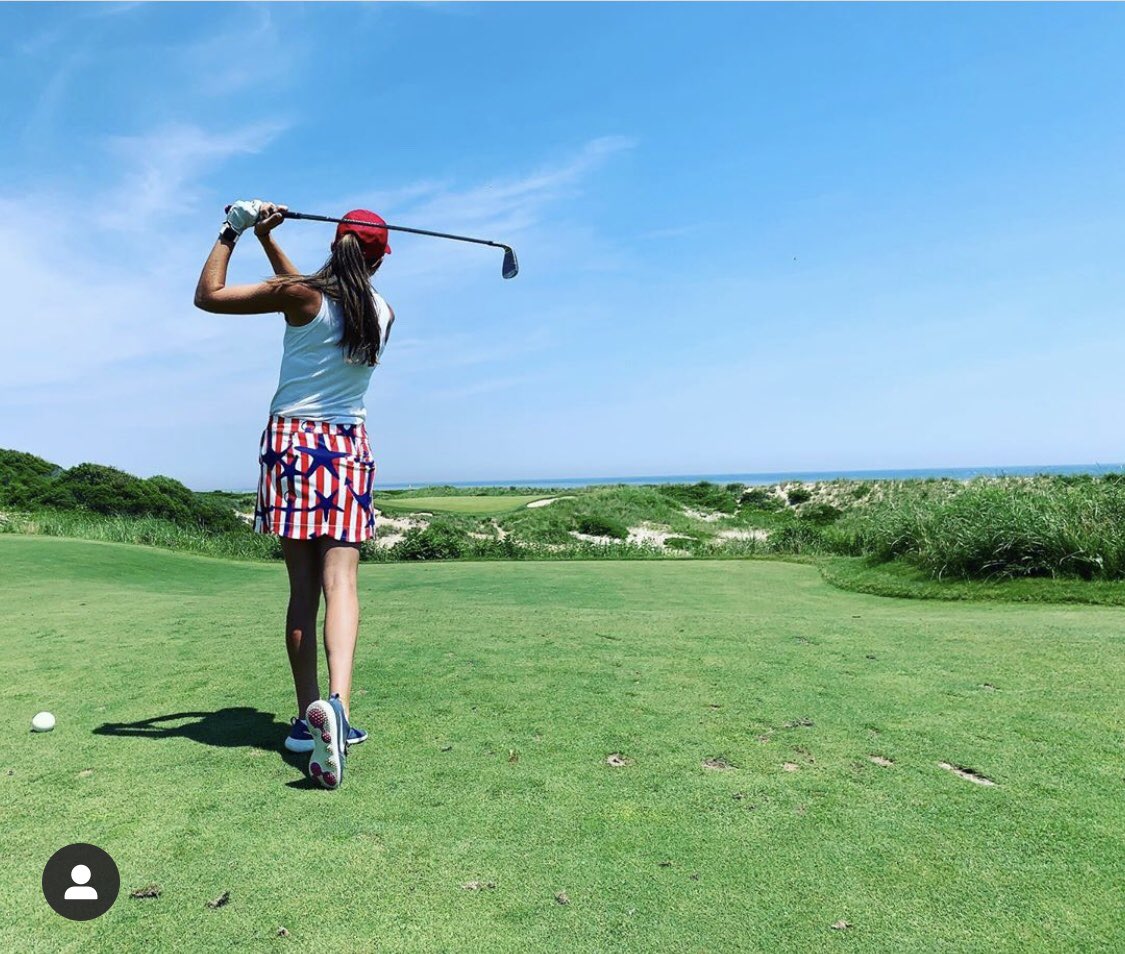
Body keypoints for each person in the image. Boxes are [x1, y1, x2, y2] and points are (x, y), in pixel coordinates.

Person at [194, 199, 395, 790]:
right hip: (349, 445)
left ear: (335, 246)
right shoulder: (382, 311)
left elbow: (209, 295)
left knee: (302, 589)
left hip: (293, 446)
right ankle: (339, 707)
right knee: (343, 587)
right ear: (379, 261)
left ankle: (309, 721)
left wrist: (232, 229)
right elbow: (306, 288)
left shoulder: (302, 296)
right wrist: (266, 238)